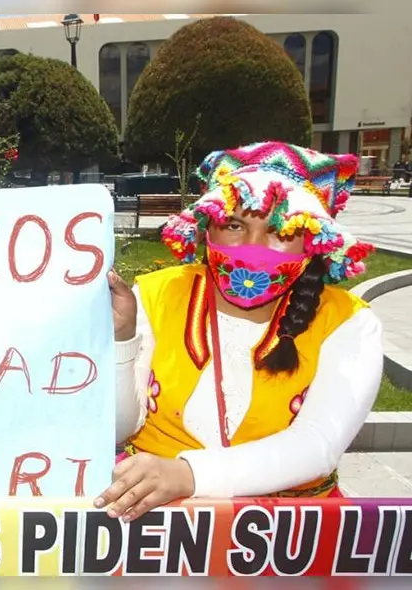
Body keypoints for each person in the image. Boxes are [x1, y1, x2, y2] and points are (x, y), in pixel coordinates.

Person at [99, 141, 383, 521]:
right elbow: (119, 427)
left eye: (280, 230)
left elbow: (318, 446)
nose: (253, 248)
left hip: (287, 540)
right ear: (208, 229)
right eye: (234, 225)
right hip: (158, 526)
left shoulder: (349, 322)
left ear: (312, 240)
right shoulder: (157, 293)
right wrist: (122, 339)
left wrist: (189, 475)